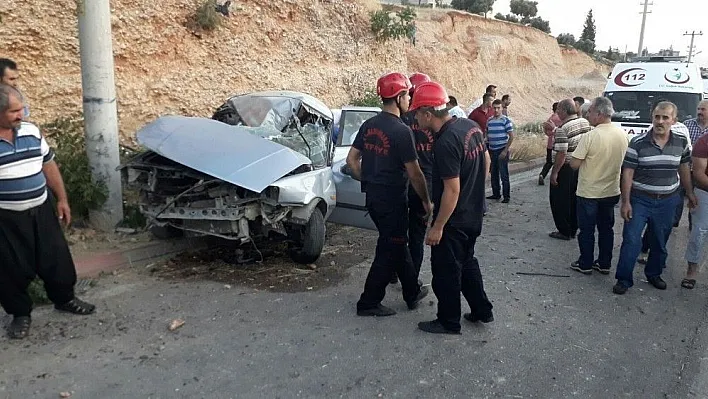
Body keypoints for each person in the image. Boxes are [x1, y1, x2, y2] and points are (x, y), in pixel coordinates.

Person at [0, 84, 96, 339]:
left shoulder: (31, 131)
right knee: (11, 269)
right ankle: (20, 314)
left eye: (22, 109)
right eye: (14, 112)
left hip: (41, 209)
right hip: (6, 218)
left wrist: (62, 198)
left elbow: (48, 165)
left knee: (56, 259)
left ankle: (65, 299)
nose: (21, 115)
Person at [410, 81, 493, 334]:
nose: (415, 118)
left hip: (455, 220)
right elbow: (486, 161)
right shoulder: (470, 127)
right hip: (474, 213)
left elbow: (452, 189)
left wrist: (438, 226)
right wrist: (475, 191)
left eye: (416, 113)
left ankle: (448, 321)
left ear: (427, 113)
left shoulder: (445, 142)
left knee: (445, 270)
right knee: (467, 262)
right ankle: (482, 310)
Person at [346, 72, 431, 316]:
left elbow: (352, 161)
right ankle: (368, 302)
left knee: (396, 242)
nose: (409, 100)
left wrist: (369, 178)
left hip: (373, 197)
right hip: (392, 200)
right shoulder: (402, 131)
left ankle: (412, 291)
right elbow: (415, 174)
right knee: (389, 248)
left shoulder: (369, 124)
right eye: (407, 95)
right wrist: (426, 200)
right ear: (399, 96)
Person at [613, 101, 697, 295]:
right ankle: (624, 279)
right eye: (657, 117)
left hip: (668, 201)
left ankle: (654, 273)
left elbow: (684, 168)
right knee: (632, 240)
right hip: (640, 200)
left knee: (659, 241)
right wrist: (625, 202)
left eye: (665, 117)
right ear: (652, 118)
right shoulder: (638, 142)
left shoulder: (681, 142)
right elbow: (628, 173)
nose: (660, 121)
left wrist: (690, 193)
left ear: (674, 120)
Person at [568, 97, 628, 274]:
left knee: (586, 230)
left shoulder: (591, 136)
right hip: (611, 190)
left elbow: (574, 164)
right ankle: (604, 263)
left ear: (600, 114)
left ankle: (585, 263)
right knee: (606, 229)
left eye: (591, 111)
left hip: (589, 192)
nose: (589, 114)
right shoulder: (622, 135)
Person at [396, 72, 433, 285]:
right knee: (417, 236)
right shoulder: (430, 118)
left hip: (402, 182)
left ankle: (394, 272)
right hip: (424, 183)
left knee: (398, 233)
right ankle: (412, 279)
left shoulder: (402, 119)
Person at [548, 99, 592, 240]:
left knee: (559, 200)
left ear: (565, 111)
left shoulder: (563, 128)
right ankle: (573, 227)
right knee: (573, 199)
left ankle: (564, 230)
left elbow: (561, 154)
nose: (557, 112)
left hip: (566, 167)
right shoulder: (584, 122)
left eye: (559, 110)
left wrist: (554, 173)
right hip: (580, 166)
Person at [682, 131, 708, 289]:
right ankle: (691, 271)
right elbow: (699, 174)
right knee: (699, 232)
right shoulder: (704, 142)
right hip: (705, 192)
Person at [486, 99, 514, 203]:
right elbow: (487, 134)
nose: (496, 110)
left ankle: (506, 196)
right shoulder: (489, 121)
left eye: (498, 108)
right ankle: (496, 193)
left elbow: (511, 136)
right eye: (494, 108)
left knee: (504, 174)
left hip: (502, 149)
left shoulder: (506, 120)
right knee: (494, 173)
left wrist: (505, 150)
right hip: (492, 150)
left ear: (502, 108)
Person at [539, 102, 561, 186]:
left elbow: (545, 128)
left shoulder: (551, 118)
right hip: (558, 144)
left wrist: (548, 134)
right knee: (559, 162)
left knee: (549, 162)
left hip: (550, 144)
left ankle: (542, 174)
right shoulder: (561, 118)